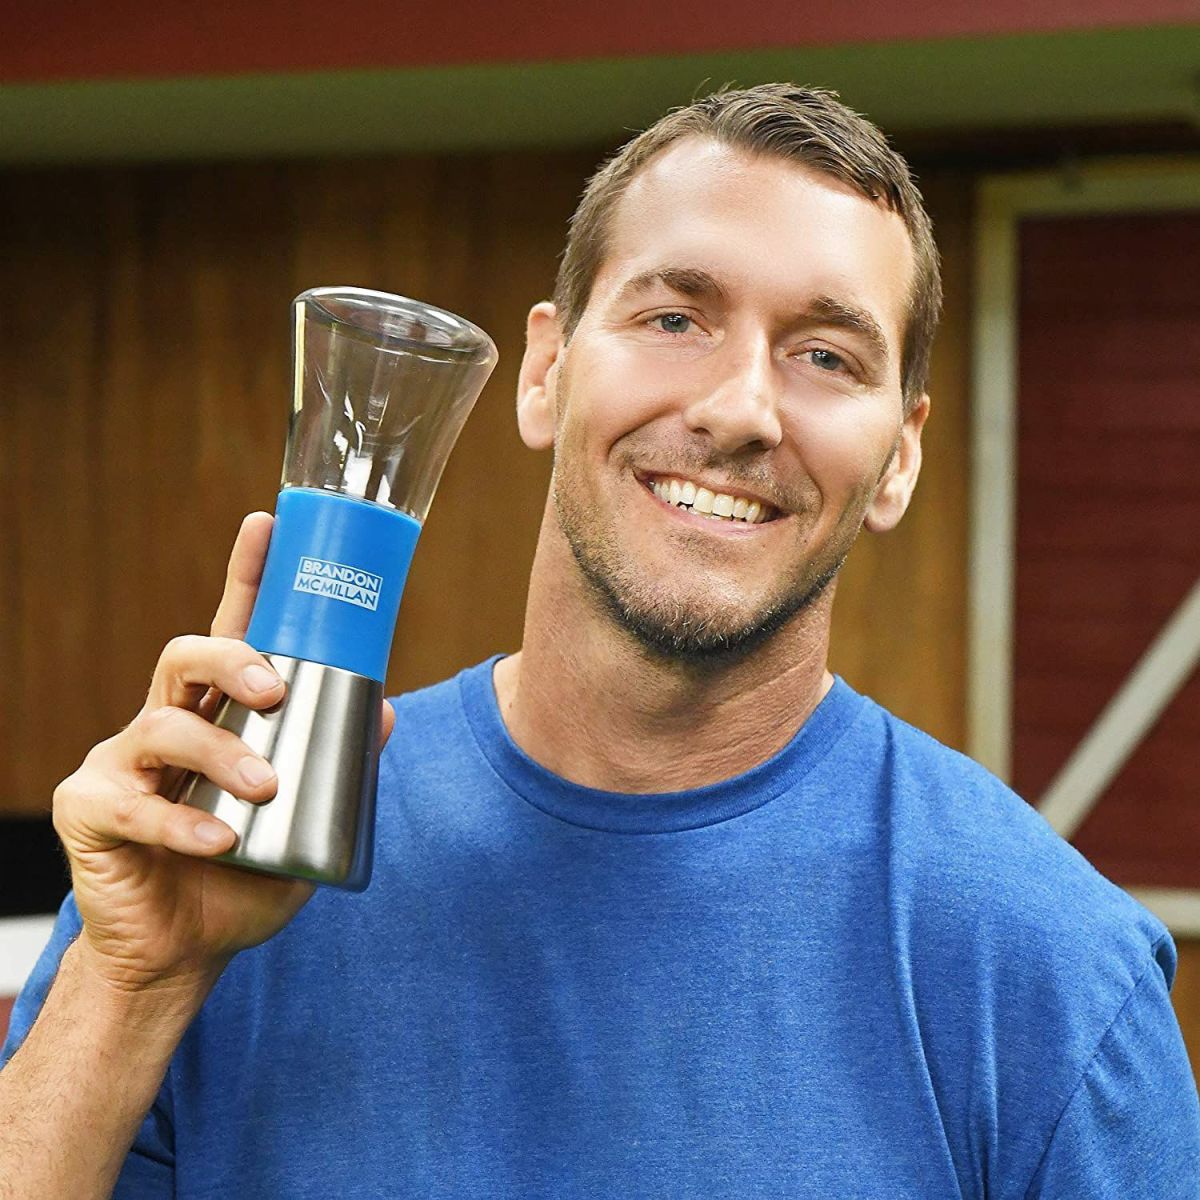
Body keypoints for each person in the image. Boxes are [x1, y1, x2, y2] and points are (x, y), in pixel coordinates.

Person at [1, 83, 1197, 1199]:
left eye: (826, 356)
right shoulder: (220, 863)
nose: (738, 408)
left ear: (901, 456)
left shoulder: (1050, 970)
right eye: (675, 317)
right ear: (546, 370)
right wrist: (129, 984)